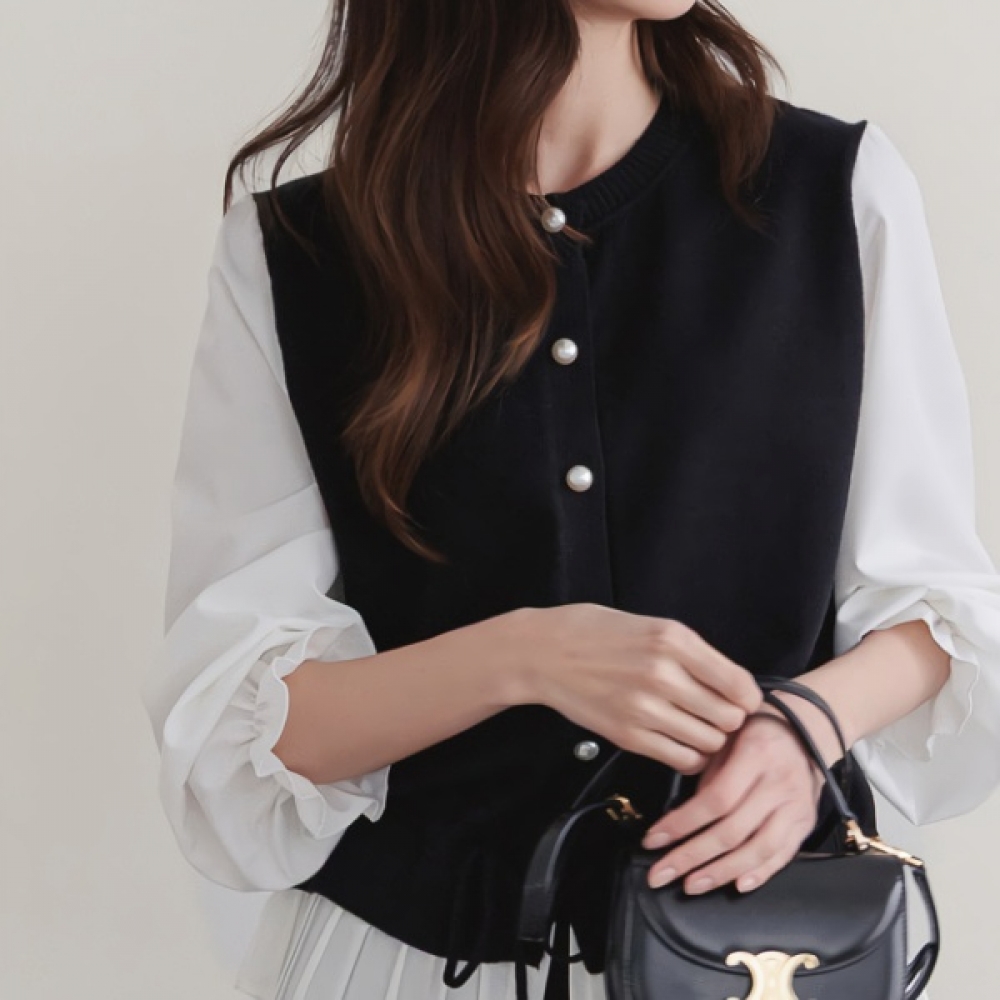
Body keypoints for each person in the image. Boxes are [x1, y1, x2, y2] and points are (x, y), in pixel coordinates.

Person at [142, 2, 1000, 999]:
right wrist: (526, 655)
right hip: (411, 965)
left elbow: (939, 615)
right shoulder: (298, 255)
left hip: (756, 961)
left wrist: (806, 724)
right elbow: (246, 723)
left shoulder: (830, 189)